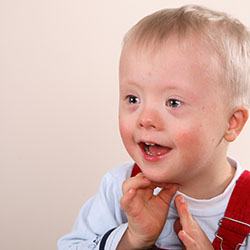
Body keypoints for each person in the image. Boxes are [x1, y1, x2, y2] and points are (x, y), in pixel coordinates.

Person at [58, 4, 250, 250]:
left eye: (173, 102)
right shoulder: (120, 189)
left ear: (231, 123)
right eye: (133, 99)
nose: (145, 119)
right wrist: (131, 239)